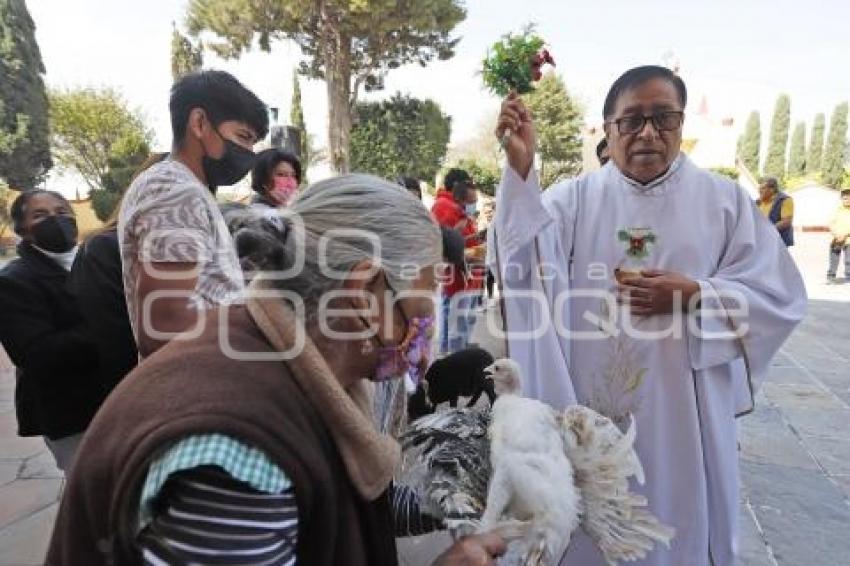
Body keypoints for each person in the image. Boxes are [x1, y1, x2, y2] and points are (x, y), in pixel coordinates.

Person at [47, 174, 506, 565]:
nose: (429, 331)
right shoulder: (238, 456)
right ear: (367, 293)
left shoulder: (294, 365)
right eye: (424, 301)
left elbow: (351, 500)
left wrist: (466, 497)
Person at [492, 65, 806, 565]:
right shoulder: (573, 200)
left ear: (682, 126)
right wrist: (523, 171)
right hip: (587, 406)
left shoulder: (723, 202)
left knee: (675, 518)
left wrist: (699, 294)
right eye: (631, 120)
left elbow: (779, 294)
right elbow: (521, 262)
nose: (647, 133)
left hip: (683, 409)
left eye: (664, 118)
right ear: (609, 128)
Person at [117, 70, 268, 358]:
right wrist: (265, 324)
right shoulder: (174, 190)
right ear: (200, 123)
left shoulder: (187, 188)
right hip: (195, 387)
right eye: (243, 136)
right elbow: (164, 327)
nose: (249, 153)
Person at [0, 190, 103, 472]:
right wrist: (106, 327)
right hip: (71, 411)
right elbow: (36, 354)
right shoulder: (12, 282)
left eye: (62, 212)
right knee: (92, 489)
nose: (55, 220)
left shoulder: (93, 261)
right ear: (23, 230)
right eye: (40, 215)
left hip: (113, 397)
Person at [431, 168, 484, 352]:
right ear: (456, 186)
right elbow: (448, 242)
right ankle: (450, 354)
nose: (473, 205)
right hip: (457, 274)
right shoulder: (445, 205)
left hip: (467, 272)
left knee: (463, 318)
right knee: (454, 318)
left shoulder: (454, 205)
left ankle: (458, 349)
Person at [756, 176, 794, 246]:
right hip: (762, 241)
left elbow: (786, 222)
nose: (759, 191)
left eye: (763, 188)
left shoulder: (784, 200)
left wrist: (767, 230)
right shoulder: (758, 202)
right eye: (759, 188)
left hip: (778, 242)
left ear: (772, 189)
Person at [827, 188, 850, 283]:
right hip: (836, 239)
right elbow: (831, 223)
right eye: (845, 198)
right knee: (834, 259)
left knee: (849, 260)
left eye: (849, 198)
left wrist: (845, 235)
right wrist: (837, 235)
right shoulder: (836, 210)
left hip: (848, 239)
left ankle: (848, 277)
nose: (847, 200)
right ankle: (831, 276)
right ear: (841, 199)